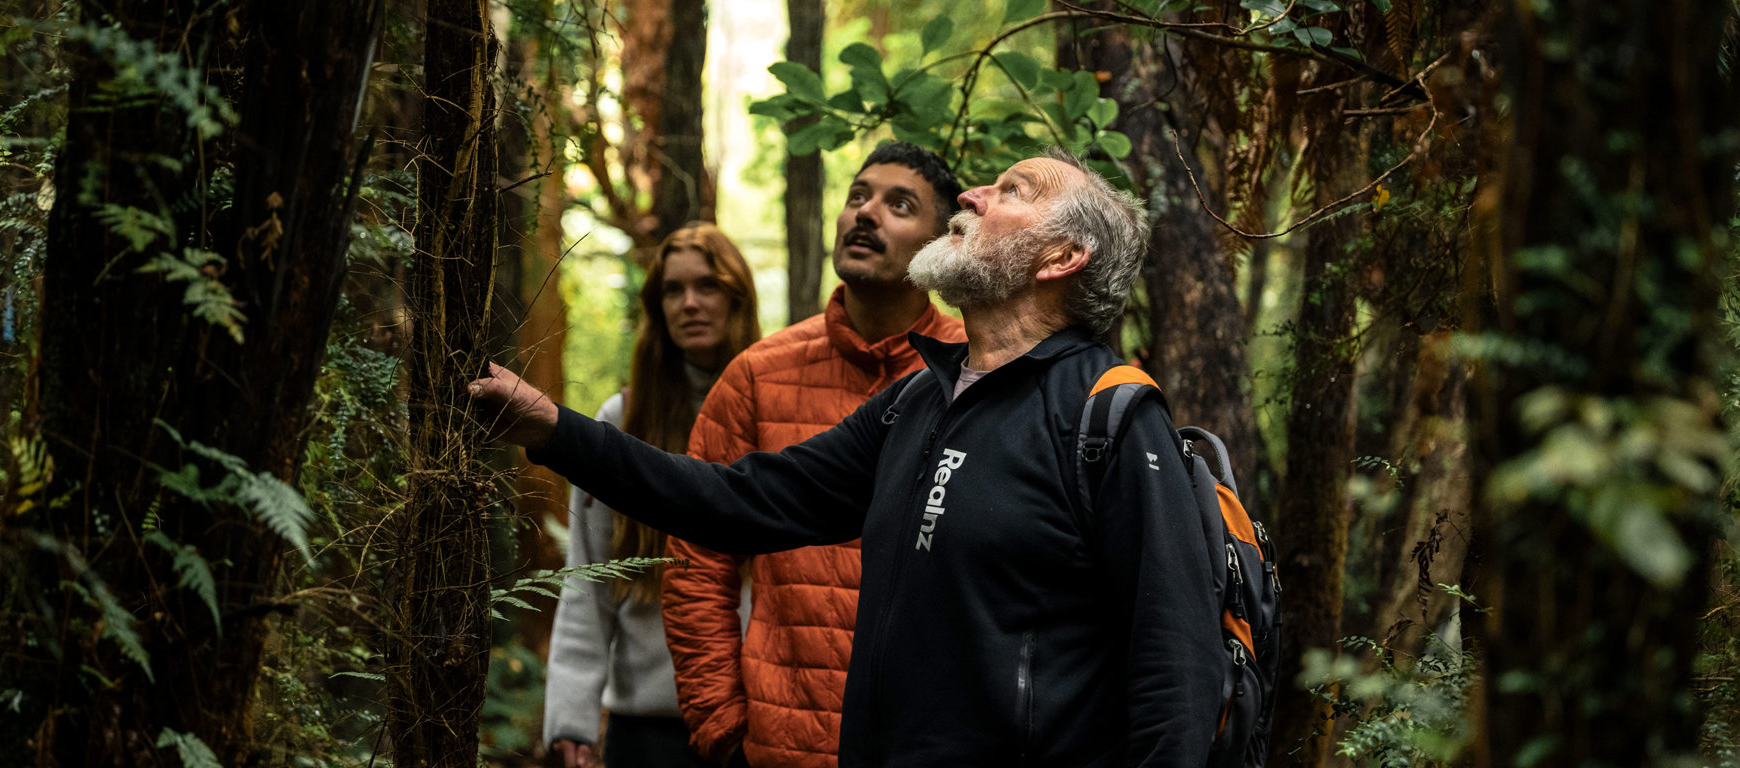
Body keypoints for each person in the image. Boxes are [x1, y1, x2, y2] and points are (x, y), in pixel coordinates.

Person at [478, 149, 1228, 768]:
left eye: (1012, 191)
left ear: (1063, 256)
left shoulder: (1111, 417)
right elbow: (732, 499)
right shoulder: (917, 402)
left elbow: (1177, 677)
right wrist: (552, 430)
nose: (972, 193)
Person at [662, 141, 965, 768]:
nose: (866, 213)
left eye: (899, 204)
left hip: (941, 744)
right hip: (783, 746)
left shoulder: (985, 373)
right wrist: (721, 723)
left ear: (942, 245)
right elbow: (697, 558)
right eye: (858, 196)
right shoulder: (757, 376)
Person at [542, 222, 763, 768]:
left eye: (708, 286)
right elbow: (586, 580)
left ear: (738, 296)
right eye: (673, 288)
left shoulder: (777, 415)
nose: (690, 303)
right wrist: (571, 720)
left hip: (761, 719)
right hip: (647, 728)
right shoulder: (621, 422)